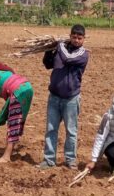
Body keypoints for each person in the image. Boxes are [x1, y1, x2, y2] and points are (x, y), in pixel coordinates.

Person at [38, 24, 90, 170]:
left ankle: (70, 160)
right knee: (51, 129)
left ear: (84, 39)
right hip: (54, 97)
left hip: (71, 99)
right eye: (74, 37)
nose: (76, 40)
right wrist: (49, 50)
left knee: (71, 131)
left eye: (79, 38)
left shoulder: (83, 54)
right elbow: (48, 65)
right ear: (70, 36)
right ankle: (49, 160)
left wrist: (59, 45)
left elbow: (67, 59)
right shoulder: (61, 50)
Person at [0, 59, 34, 163]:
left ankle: (6, 156)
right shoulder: (5, 71)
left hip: (17, 91)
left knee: (13, 122)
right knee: (17, 121)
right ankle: (9, 150)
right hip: (27, 88)